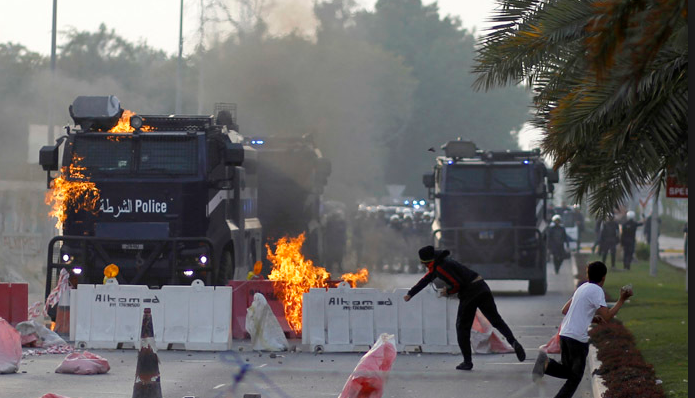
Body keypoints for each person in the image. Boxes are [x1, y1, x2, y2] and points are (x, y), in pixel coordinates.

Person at [403, 245, 526, 370]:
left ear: (428, 261)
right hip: (482, 286)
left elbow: (457, 284)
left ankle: (467, 362)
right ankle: (513, 342)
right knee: (496, 320)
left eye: (422, 263)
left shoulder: (440, 268)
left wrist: (448, 291)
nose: (423, 265)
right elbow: (426, 279)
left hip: (470, 293)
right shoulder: (442, 262)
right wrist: (410, 293)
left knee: (462, 327)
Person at [532, 261, 633, 398]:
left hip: (565, 334)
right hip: (577, 339)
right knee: (575, 378)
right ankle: (547, 365)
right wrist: (622, 299)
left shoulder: (582, 287)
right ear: (603, 277)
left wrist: (591, 318)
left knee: (568, 372)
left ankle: (546, 363)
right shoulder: (597, 290)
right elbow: (607, 316)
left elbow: (565, 310)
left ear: (588, 275)